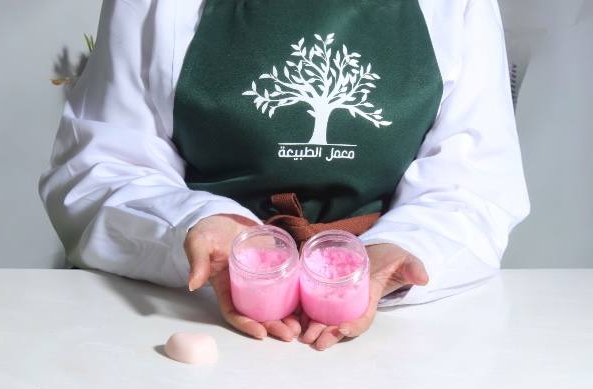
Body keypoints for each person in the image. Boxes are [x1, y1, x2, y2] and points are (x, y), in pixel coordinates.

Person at [39, 0, 530, 350]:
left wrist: (398, 251)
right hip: (191, 308)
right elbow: (99, 169)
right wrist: (198, 223)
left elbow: (476, 181)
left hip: (389, 326)